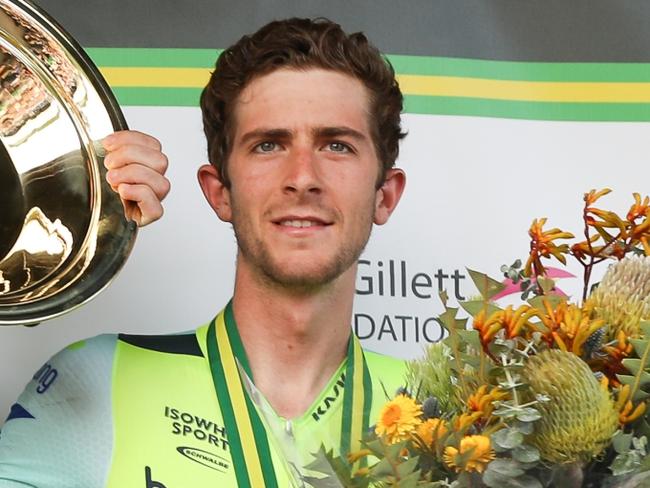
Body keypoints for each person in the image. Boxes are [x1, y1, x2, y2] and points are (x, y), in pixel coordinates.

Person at [0, 17, 408, 487]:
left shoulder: (453, 410)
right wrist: (61, 213)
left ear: (385, 195)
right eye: (269, 145)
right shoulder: (93, 382)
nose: (303, 177)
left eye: (336, 145)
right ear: (219, 193)